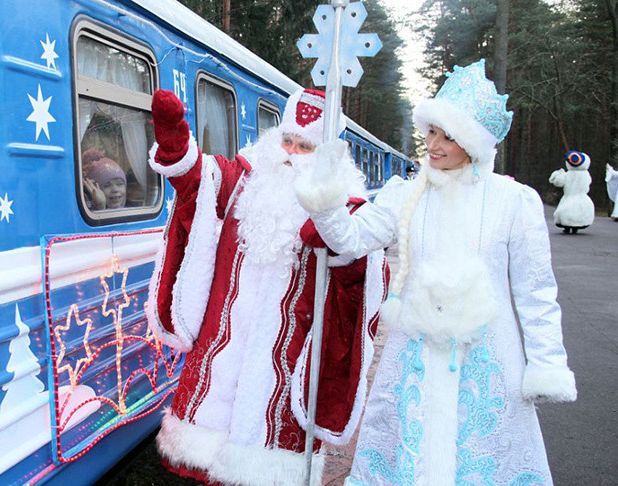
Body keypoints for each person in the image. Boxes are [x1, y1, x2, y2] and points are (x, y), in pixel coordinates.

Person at [340, 60, 576, 486]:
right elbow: (351, 239)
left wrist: (546, 363)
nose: (433, 145)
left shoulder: (513, 201)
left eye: (448, 137)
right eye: (431, 131)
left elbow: (536, 291)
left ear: (472, 143)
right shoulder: (406, 194)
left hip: (488, 362)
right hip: (414, 359)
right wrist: (322, 195)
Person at [146, 88, 395, 485]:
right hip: (219, 357)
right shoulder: (243, 179)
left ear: (327, 153)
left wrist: (334, 234)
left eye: (305, 145)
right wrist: (177, 150)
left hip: (282, 371)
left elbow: (359, 278)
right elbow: (198, 188)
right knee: (201, 468)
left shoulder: (345, 207)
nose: (291, 152)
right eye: (287, 139)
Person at [549, 151, 595, 233]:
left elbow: (559, 183)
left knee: (566, 211)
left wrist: (558, 175)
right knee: (579, 212)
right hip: (582, 197)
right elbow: (588, 183)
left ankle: (567, 228)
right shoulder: (586, 174)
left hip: (569, 196)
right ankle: (575, 228)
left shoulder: (568, 174)